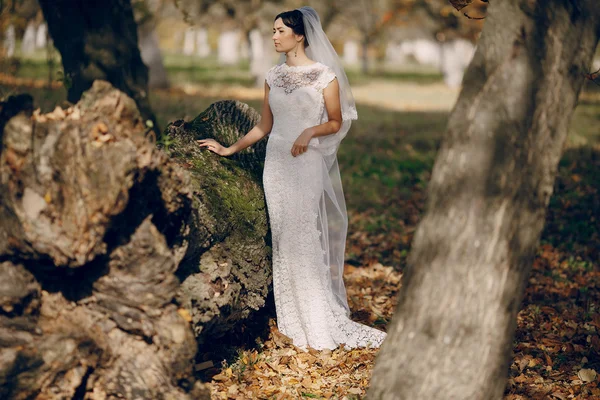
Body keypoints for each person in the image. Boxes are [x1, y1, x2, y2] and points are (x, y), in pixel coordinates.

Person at [197, 6, 386, 351]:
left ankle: (318, 318)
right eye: (273, 31)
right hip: (277, 165)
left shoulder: (324, 76)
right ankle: (294, 321)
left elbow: (336, 121)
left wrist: (309, 133)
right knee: (285, 238)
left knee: (303, 234)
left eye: (280, 31)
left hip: (306, 162)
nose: (274, 36)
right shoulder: (273, 76)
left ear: (300, 35)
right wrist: (228, 149)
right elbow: (263, 127)